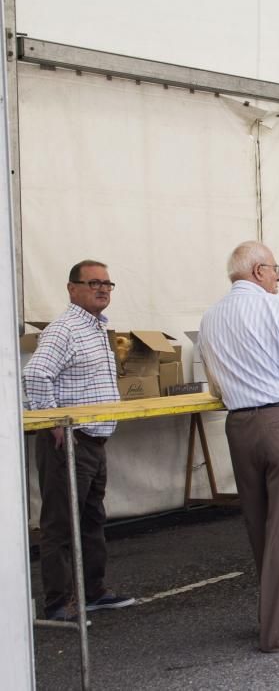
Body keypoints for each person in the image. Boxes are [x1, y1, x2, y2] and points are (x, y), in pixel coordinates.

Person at [198, 241, 279, 651]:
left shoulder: (210, 317)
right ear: (258, 271)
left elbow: (216, 381)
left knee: (261, 524)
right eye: (275, 268)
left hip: (238, 424)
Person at [24, 260, 136, 622]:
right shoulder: (66, 329)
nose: (102, 289)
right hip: (69, 441)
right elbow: (36, 373)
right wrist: (53, 420)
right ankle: (58, 602)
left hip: (94, 439)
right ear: (72, 289)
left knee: (90, 519)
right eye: (93, 283)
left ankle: (92, 592)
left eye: (107, 283)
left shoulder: (96, 328)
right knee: (60, 523)